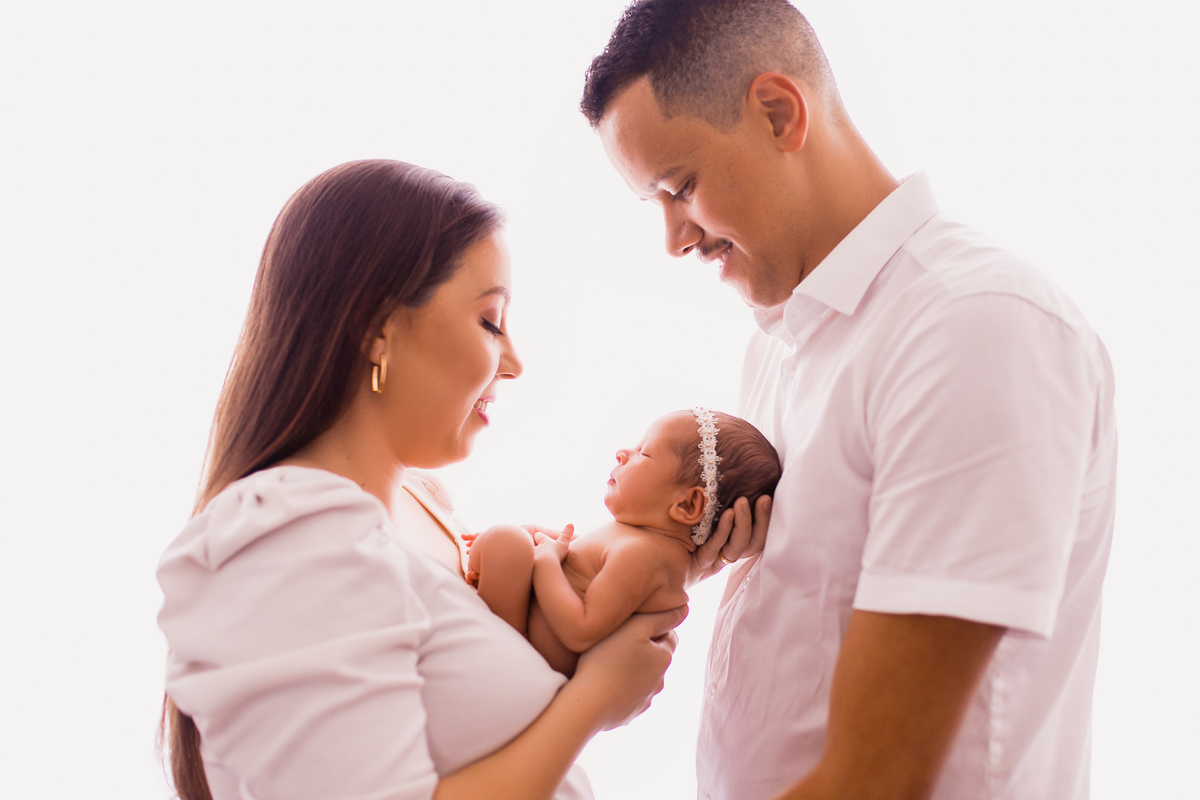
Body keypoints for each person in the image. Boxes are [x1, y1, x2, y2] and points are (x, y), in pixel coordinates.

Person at [581, 2, 1117, 799]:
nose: (675, 240)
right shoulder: (780, 344)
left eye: (680, 188)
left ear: (778, 113)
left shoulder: (972, 326)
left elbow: (878, 779)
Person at [157, 159, 704, 800]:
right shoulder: (290, 534)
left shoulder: (419, 505)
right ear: (376, 328)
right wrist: (593, 700)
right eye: (490, 321)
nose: (514, 363)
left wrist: (678, 545)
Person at [467, 409, 781, 675]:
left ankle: (493, 654)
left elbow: (581, 630)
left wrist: (545, 560)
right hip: (530, 633)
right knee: (510, 539)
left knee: (506, 542)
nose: (622, 452)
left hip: (526, 654)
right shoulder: (641, 541)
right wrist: (534, 535)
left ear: (687, 505)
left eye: (644, 452)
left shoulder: (645, 556)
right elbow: (575, 555)